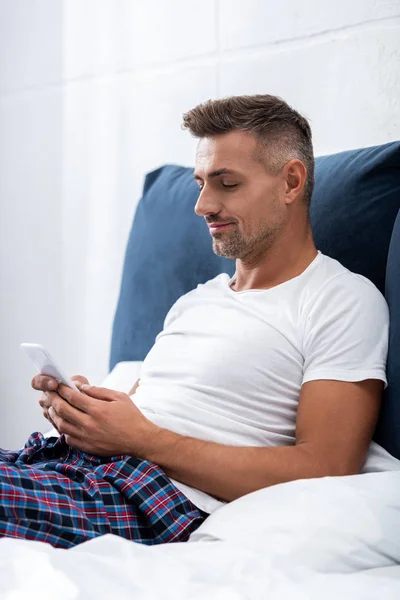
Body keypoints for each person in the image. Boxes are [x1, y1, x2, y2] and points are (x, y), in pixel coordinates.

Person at [1, 94, 399, 549]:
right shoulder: (195, 302)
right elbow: (143, 412)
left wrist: (146, 440)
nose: (202, 205)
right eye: (200, 183)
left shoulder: (340, 300)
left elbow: (326, 468)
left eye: (226, 184)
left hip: (152, 497)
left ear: (291, 182)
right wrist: (85, 415)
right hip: (74, 466)